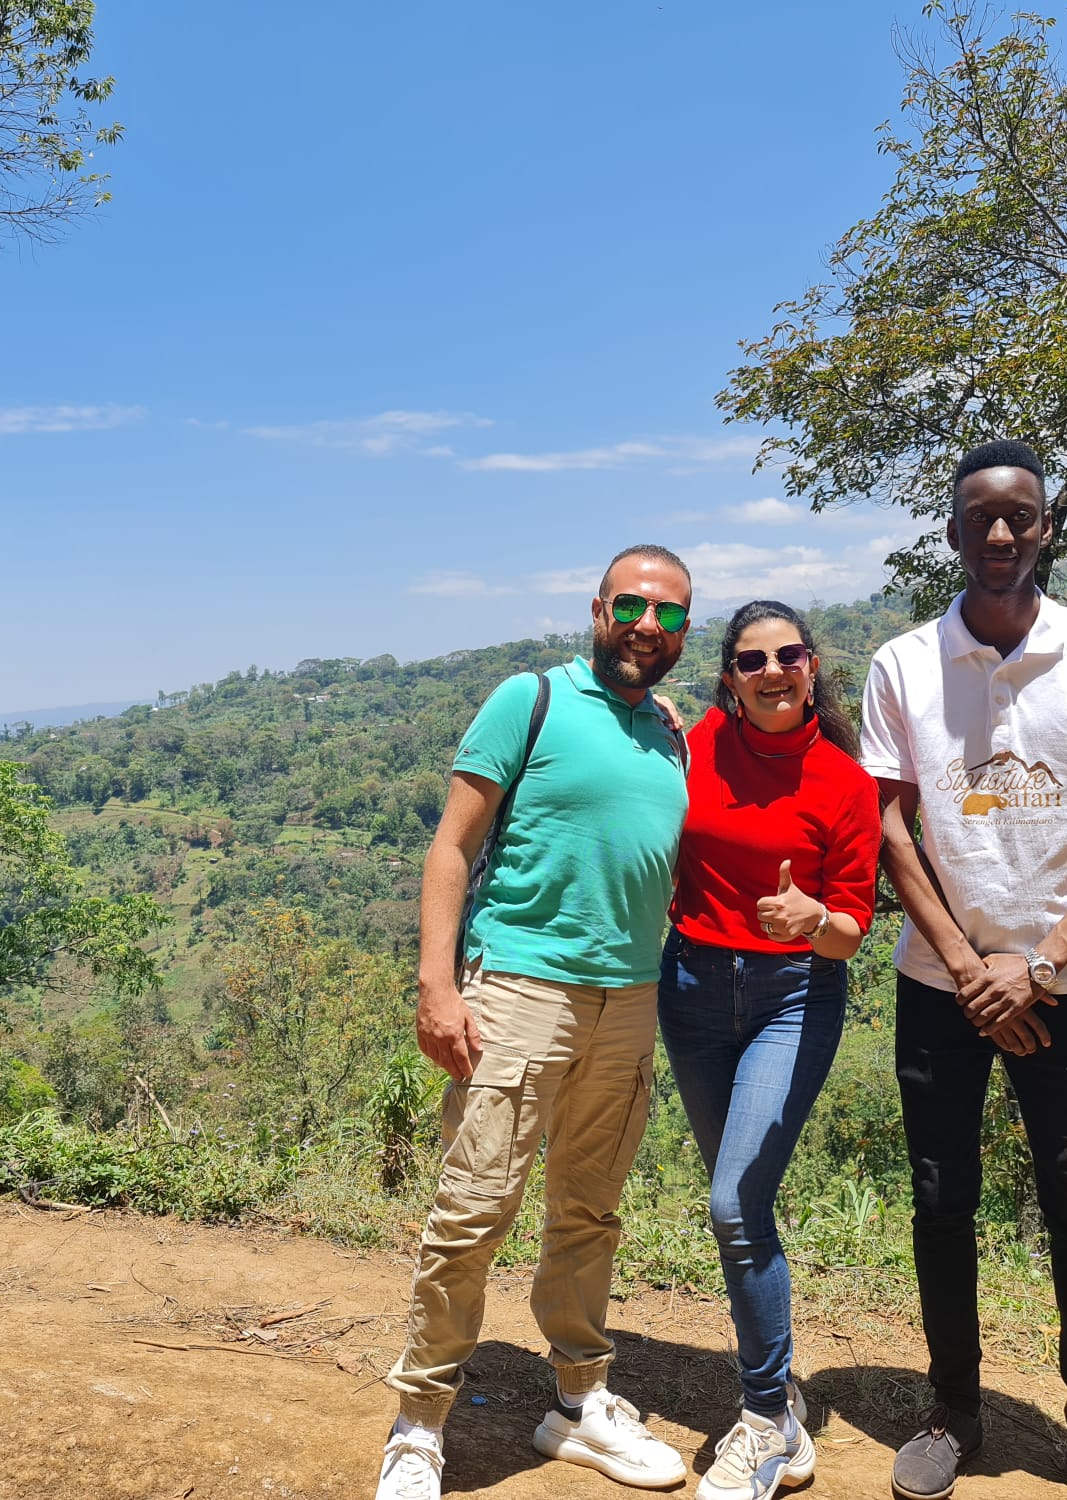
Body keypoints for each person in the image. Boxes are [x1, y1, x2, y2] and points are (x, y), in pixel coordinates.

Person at [859, 440, 1067, 1500]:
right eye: (978, 517)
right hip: (936, 983)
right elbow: (888, 821)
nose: (998, 533)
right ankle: (953, 1412)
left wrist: (1033, 968)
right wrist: (963, 963)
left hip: (1066, 985)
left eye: (1019, 516)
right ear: (951, 534)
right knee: (941, 1201)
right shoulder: (903, 663)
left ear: (1043, 530)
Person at [376, 544, 697, 1500]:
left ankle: (579, 1402)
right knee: (474, 1212)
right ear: (597, 607)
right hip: (518, 988)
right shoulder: (532, 698)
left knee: (589, 1212)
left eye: (670, 615)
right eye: (632, 606)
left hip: (630, 997)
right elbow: (451, 847)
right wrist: (439, 987)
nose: (649, 626)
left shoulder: (669, 734)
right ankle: (419, 1422)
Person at [659, 600, 879, 1500]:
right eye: (753, 661)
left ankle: (764, 1422)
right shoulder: (697, 742)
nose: (773, 671)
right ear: (729, 679)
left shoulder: (844, 782)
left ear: (813, 665)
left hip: (794, 996)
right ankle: (778, 1396)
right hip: (693, 990)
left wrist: (811, 918)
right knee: (742, 1213)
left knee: (733, 1200)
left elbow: (853, 930)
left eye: (789, 654)